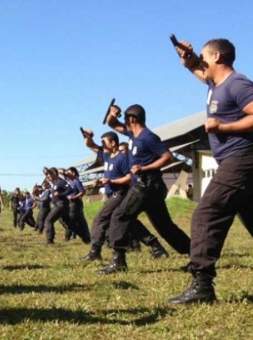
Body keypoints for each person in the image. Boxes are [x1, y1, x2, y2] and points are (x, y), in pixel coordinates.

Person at [170, 38, 253, 304]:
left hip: (242, 158)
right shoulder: (214, 84)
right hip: (235, 160)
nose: (201, 59)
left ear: (217, 56)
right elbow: (198, 69)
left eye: (205, 55)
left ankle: (202, 285)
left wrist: (223, 128)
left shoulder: (237, 84)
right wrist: (187, 61)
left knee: (207, 213)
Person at [102, 103, 191, 274]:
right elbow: (111, 124)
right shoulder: (132, 135)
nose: (124, 122)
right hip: (149, 186)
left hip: (147, 184)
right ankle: (196, 255)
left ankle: (118, 261)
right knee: (165, 226)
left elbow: (167, 157)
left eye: (126, 118)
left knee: (119, 216)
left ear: (133, 119)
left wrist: (145, 168)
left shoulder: (148, 137)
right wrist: (113, 114)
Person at [80, 130, 169, 262]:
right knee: (128, 223)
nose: (102, 145)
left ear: (113, 143)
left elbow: (129, 177)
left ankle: (95, 251)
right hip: (113, 195)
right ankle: (156, 247)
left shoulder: (122, 159)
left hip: (121, 194)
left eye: (104, 142)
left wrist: (112, 181)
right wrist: (88, 137)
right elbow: (90, 145)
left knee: (100, 218)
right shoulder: (106, 156)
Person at [65, 167, 91, 243]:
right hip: (71, 203)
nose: (67, 174)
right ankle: (86, 236)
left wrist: (74, 197)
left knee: (72, 219)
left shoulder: (76, 182)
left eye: (69, 172)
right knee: (81, 221)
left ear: (73, 173)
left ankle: (68, 236)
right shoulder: (70, 182)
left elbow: (82, 191)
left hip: (75, 203)